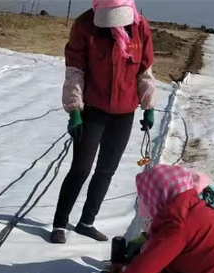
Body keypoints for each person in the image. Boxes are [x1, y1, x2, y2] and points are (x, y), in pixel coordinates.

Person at [51, 0, 156, 244]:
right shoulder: (85, 25)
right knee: (81, 169)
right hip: (93, 110)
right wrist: (74, 110)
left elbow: (145, 71)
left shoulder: (140, 28)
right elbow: (75, 72)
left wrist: (148, 106)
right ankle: (59, 223)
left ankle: (87, 222)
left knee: (106, 170)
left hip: (124, 112)